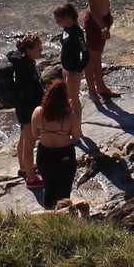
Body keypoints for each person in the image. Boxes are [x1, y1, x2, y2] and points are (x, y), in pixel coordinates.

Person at [30, 80, 82, 208]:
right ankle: (64, 217)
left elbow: (35, 134)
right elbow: (76, 137)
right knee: (64, 192)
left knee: (48, 189)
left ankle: (49, 217)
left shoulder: (38, 112)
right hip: (64, 155)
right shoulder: (69, 116)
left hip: (45, 155)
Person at [2, 34, 44, 186]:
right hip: (28, 108)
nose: (41, 49)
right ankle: (31, 178)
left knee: (23, 138)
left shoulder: (23, 61)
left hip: (22, 106)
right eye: (39, 47)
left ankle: (23, 167)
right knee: (29, 143)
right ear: (29, 50)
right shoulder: (24, 67)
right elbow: (30, 90)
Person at [81, 0, 117, 106]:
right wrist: (103, 27)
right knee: (91, 58)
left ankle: (101, 86)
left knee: (97, 56)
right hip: (96, 23)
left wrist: (108, 18)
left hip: (103, 18)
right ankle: (92, 92)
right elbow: (94, 9)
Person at [54, 3, 89, 107]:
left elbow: (86, 53)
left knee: (73, 98)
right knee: (68, 97)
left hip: (73, 70)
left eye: (58, 20)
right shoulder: (66, 28)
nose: (57, 23)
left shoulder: (77, 32)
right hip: (65, 67)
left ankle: (76, 122)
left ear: (68, 18)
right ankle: (71, 120)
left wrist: (79, 70)